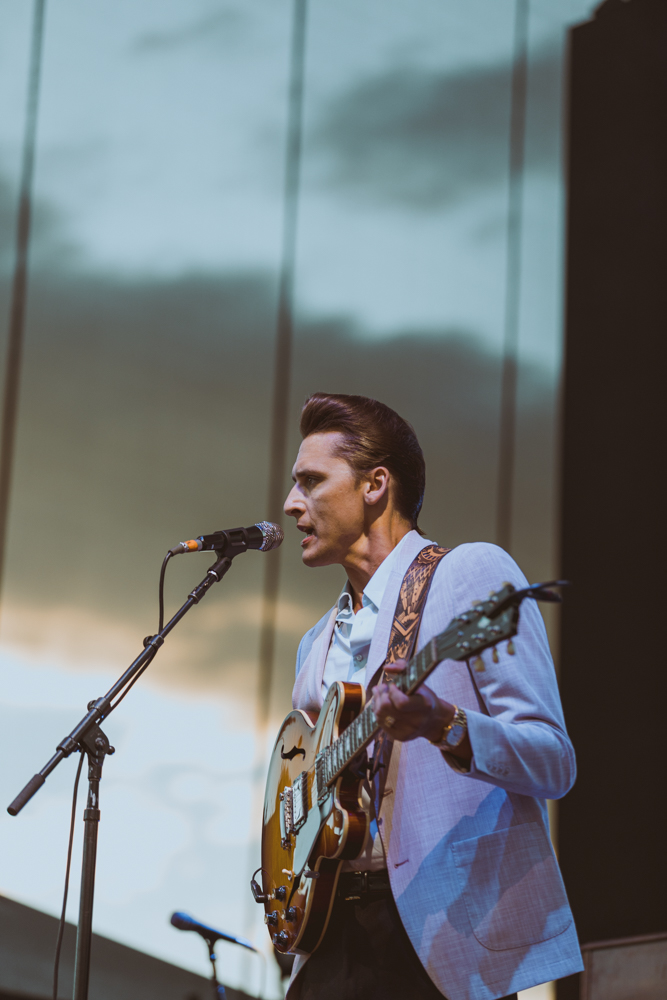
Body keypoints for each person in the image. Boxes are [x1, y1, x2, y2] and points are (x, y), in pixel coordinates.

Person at [282, 393, 583, 1000]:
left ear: (375, 484)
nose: (291, 504)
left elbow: (553, 761)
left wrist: (446, 724)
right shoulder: (315, 644)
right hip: (327, 941)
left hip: (440, 934)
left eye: (311, 481)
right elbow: (304, 779)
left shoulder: (469, 575)